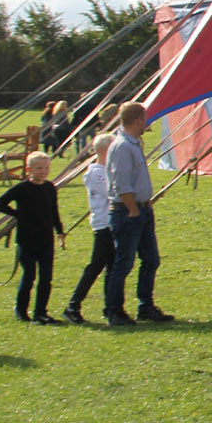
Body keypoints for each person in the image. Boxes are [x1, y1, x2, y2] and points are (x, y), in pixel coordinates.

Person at [104, 101, 170, 324]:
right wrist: (133, 209)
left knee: (151, 260)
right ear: (137, 120)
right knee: (123, 263)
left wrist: (145, 203)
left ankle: (146, 306)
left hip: (141, 209)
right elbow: (120, 183)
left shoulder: (133, 144)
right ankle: (114, 310)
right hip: (128, 212)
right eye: (144, 118)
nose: (146, 123)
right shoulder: (122, 146)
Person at [0, 152, 66, 323]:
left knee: (46, 278)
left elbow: (53, 210)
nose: (43, 171)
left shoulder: (49, 187)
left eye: (46, 168)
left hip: (46, 239)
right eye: (39, 168)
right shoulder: (22, 188)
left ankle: (41, 312)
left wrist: (59, 230)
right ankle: (21, 310)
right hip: (27, 240)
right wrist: (19, 215)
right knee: (29, 276)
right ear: (29, 169)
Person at [61, 133, 118, 324]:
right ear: (103, 151)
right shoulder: (96, 173)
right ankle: (73, 306)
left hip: (112, 224)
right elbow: (112, 193)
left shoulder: (107, 170)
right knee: (96, 266)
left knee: (112, 266)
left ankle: (111, 307)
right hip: (103, 225)